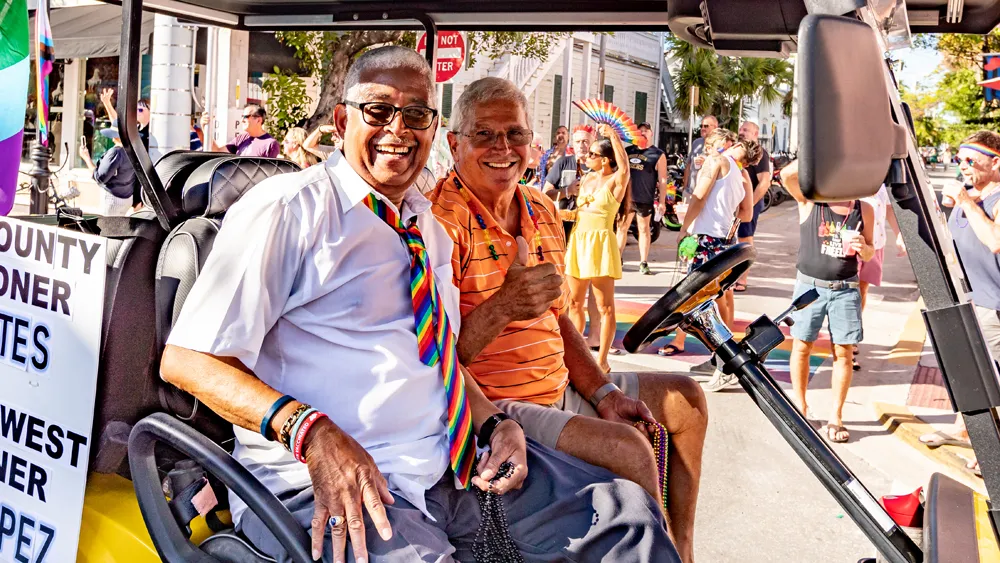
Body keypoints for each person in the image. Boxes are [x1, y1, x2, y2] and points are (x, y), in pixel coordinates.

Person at [160, 47, 676, 563]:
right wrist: (310, 432)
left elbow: (441, 360)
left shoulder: (426, 228)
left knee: (627, 520)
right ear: (341, 121)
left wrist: (495, 423)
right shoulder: (292, 209)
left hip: (447, 468)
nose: (398, 129)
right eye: (378, 110)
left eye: (415, 114)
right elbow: (187, 360)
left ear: (432, 129)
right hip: (325, 482)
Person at [430, 76, 707, 563]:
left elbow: (558, 320)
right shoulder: (440, 221)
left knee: (686, 400)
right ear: (455, 144)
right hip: (496, 407)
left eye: (515, 134)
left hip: (560, 389)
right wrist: (503, 307)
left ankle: (681, 551)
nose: (502, 148)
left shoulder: (540, 207)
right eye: (484, 135)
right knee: (629, 448)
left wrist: (604, 393)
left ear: (531, 141)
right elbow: (436, 360)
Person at [920, 131, 1000, 472]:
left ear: (995, 162)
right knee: (967, 370)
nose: (964, 166)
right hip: (965, 299)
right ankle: (965, 430)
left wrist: (966, 202)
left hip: (993, 305)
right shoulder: (968, 196)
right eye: (960, 159)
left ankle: (993, 450)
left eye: (972, 160)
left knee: (993, 376)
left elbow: (995, 241)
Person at [780, 161, 876, 443]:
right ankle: (801, 406)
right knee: (801, 346)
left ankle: (836, 416)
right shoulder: (811, 202)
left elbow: (870, 252)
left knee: (843, 353)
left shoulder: (864, 209)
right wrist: (820, 150)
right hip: (809, 287)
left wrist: (864, 248)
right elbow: (786, 175)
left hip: (845, 289)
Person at [658, 132, 760, 394]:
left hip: (705, 238)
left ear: (734, 145)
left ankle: (726, 363)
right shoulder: (742, 174)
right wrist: (725, 226)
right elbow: (746, 213)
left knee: (699, 301)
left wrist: (684, 227)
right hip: (725, 241)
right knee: (720, 298)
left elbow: (699, 196)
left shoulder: (717, 161)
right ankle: (720, 358)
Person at [565, 124, 632, 373]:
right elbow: (581, 211)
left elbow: (624, 168)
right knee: (574, 303)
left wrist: (613, 135)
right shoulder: (587, 178)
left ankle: (602, 361)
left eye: (592, 153)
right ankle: (576, 357)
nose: (587, 156)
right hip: (579, 241)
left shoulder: (615, 180)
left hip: (600, 244)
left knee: (605, 308)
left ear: (605, 160)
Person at [855, 184, 906, 370]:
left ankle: (852, 334)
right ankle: (847, 341)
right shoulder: (848, 180)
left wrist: (899, 234)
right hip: (853, 244)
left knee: (862, 289)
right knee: (848, 292)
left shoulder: (880, 184)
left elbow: (888, 208)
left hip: (875, 244)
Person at [618, 122, 671, 275]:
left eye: (646, 130)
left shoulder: (658, 154)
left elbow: (662, 180)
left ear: (651, 133)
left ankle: (643, 262)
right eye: (640, 130)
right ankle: (617, 259)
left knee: (644, 229)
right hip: (627, 198)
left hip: (645, 197)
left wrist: (662, 202)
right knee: (622, 228)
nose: (643, 133)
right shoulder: (628, 151)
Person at [733, 121, 773, 292]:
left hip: (749, 202)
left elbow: (764, 182)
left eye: (746, 130)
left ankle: (742, 278)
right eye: (741, 129)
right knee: (733, 240)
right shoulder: (738, 150)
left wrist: (749, 204)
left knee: (745, 238)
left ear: (755, 134)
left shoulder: (759, 153)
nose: (741, 132)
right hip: (736, 202)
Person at [78, 127, 136, 217]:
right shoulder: (133, 150)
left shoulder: (116, 152)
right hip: (127, 197)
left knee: (107, 225)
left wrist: (86, 158)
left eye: (114, 136)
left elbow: (100, 178)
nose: (112, 139)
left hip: (113, 199)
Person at [201, 104, 280, 158]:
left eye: (246, 117)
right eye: (242, 116)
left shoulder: (270, 144)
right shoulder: (241, 138)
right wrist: (204, 128)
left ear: (258, 120)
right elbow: (217, 151)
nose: (242, 120)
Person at [682, 116, 718, 198]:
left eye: (706, 126)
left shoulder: (718, 145)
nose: (702, 128)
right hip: (690, 192)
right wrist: (685, 188)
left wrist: (705, 162)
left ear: (715, 128)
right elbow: (688, 165)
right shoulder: (696, 142)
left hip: (706, 195)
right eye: (701, 126)